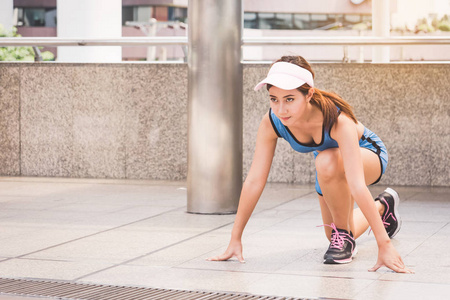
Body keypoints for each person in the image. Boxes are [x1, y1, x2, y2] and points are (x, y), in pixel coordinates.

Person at [207, 55, 413, 273]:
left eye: (289, 99)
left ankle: (347, 236)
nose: (281, 109)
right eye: (273, 99)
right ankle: (383, 207)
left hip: (368, 154)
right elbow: (254, 180)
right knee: (334, 233)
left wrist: (384, 245)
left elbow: (356, 184)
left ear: (309, 95)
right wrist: (235, 239)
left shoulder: (337, 120)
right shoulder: (272, 122)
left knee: (327, 167)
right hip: (327, 169)